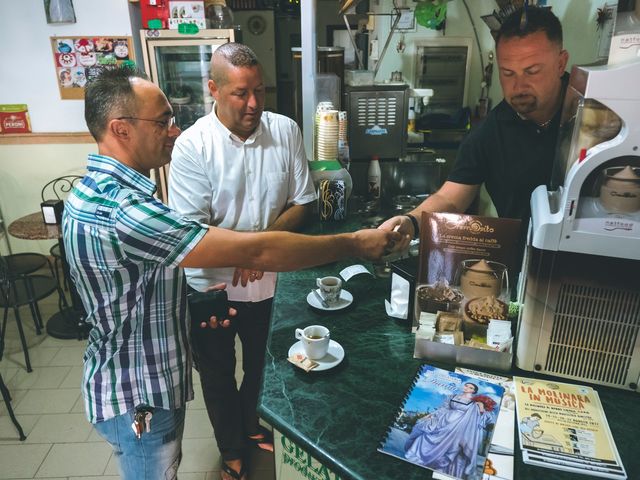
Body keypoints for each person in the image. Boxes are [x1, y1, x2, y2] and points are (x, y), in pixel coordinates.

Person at [62, 65, 402, 480]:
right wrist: (354, 243)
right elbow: (255, 249)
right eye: (163, 120)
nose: (173, 130)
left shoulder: (93, 192)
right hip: (138, 393)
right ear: (121, 129)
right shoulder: (125, 212)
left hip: (133, 375)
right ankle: (231, 446)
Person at [168, 43, 313, 478]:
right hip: (211, 284)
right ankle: (230, 448)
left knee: (261, 364)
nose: (253, 104)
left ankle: (250, 426)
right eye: (240, 93)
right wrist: (252, 248)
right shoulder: (193, 146)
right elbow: (192, 235)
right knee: (216, 373)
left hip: (269, 279)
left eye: (260, 91)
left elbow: (303, 202)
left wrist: (259, 244)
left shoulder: (285, 130)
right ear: (213, 88)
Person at [381, 6, 569, 253]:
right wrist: (411, 222)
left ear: (560, 63)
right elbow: (451, 197)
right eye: (508, 73)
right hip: (523, 263)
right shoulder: (491, 132)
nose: (519, 85)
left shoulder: (591, 114)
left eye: (532, 71)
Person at [404, 382, 495, 479]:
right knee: (425, 436)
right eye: (466, 385)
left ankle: (442, 469)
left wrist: (481, 405)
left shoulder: (474, 402)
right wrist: (431, 415)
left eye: (470, 387)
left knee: (453, 448)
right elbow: (443, 408)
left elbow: (484, 416)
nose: (467, 388)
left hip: (460, 426)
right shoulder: (452, 396)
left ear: (474, 391)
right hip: (443, 421)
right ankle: (417, 459)